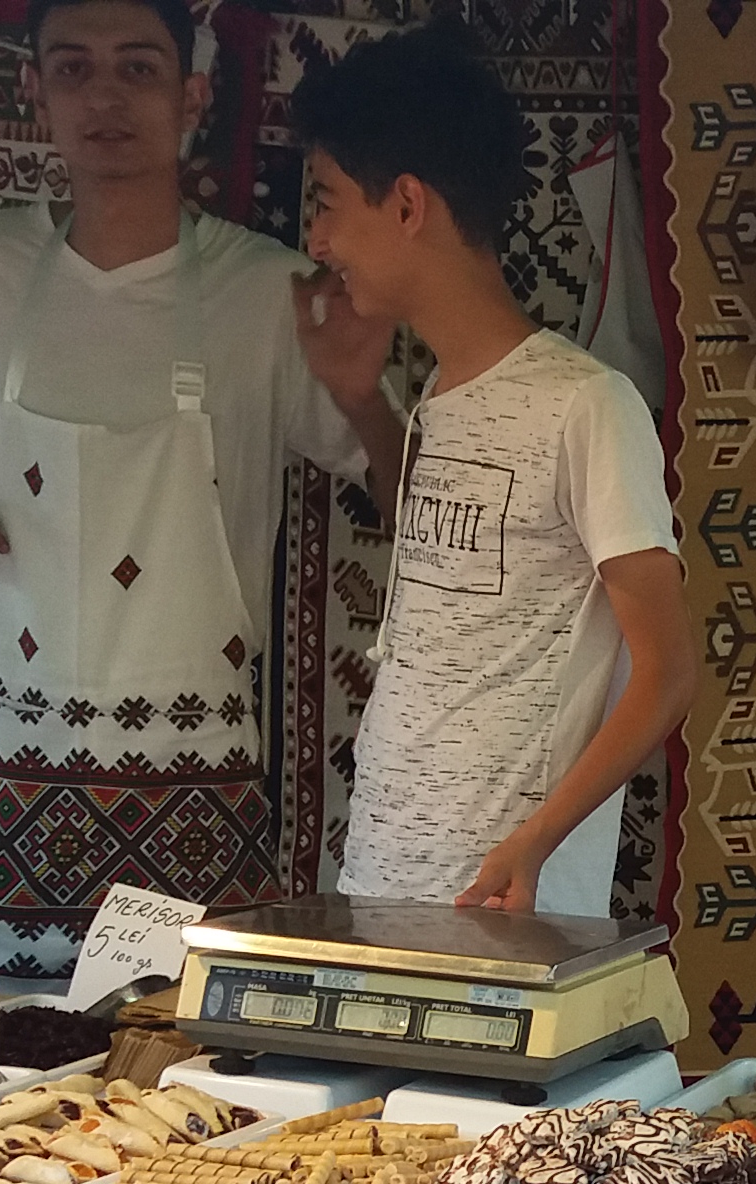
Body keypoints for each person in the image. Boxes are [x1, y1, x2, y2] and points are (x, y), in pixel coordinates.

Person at [0, 0, 401, 974]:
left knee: (182, 1053)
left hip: (190, 773)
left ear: (193, 97)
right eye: (73, 69)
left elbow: (406, 499)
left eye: (138, 68)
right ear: (34, 92)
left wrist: (359, 395)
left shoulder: (270, 290)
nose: (105, 97)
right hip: (1, 763)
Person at [295, 22, 695, 915]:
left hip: (501, 911)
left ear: (406, 204)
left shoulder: (588, 405)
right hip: (382, 887)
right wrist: (361, 401)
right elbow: (452, 576)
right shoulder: (439, 394)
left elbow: (669, 670)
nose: (317, 241)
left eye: (326, 203)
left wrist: (537, 841)